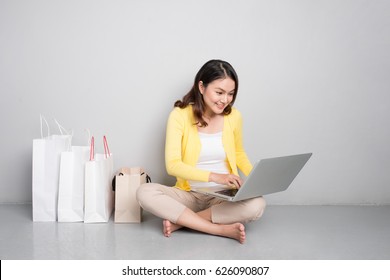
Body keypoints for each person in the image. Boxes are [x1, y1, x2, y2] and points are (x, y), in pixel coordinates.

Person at [136, 59, 266, 244]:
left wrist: (256, 178)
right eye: (219, 92)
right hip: (189, 195)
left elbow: (238, 153)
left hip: (223, 197)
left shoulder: (234, 116)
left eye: (230, 94)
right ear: (202, 87)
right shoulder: (179, 115)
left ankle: (182, 222)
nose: (225, 100)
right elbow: (173, 165)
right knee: (144, 192)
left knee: (257, 204)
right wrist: (215, 177)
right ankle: (218, 229)